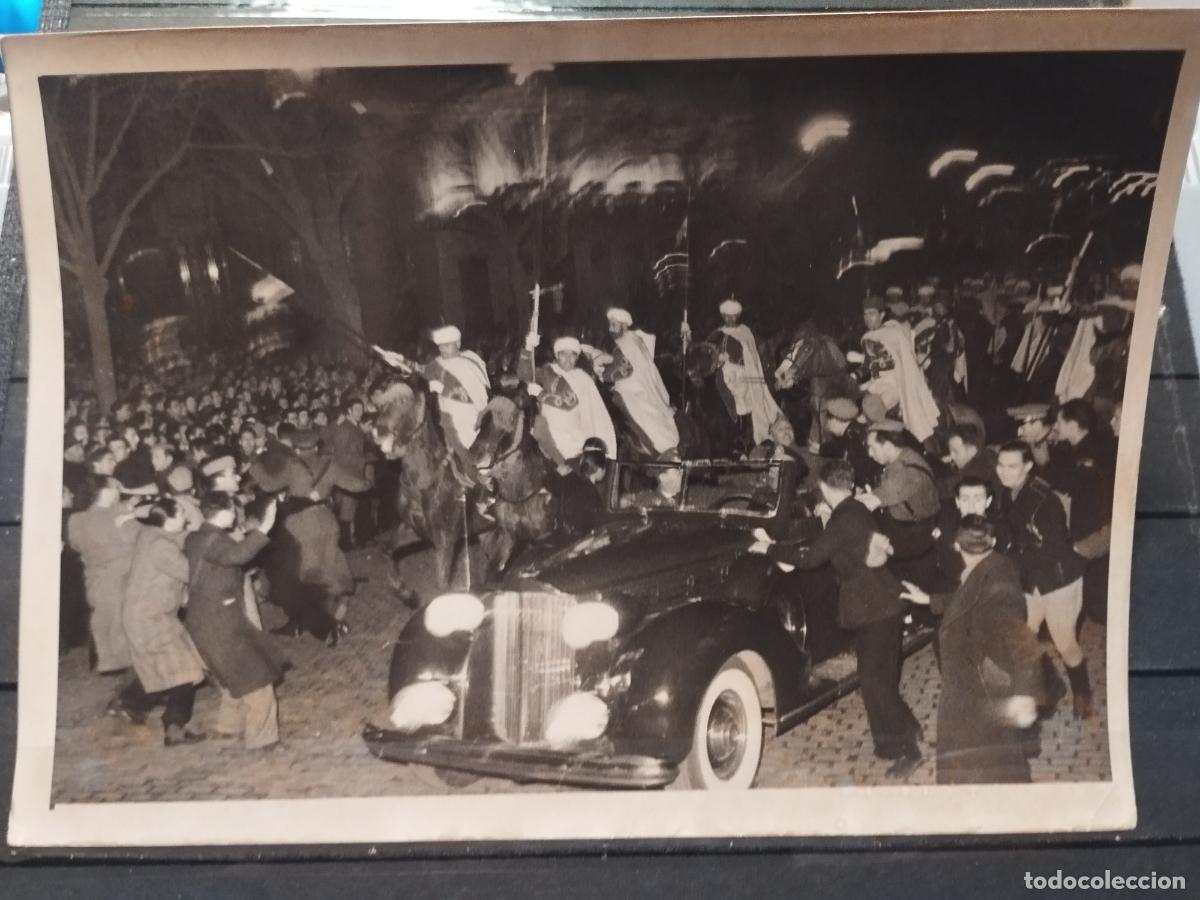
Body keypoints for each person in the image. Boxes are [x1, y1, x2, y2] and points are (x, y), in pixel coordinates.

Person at [758, 459, 923, 775]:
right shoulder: (855, 509)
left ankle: (908, 750)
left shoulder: (844, 518)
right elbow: (843, 543)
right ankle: (908, 730)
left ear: (823, 487)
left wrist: (768, 548)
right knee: (879, 677)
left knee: (874, 682)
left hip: (875, 607)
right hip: (883, 603)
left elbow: (810, 557)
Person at [901, 516, 1044, 784]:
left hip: (985, 687)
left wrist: (1025, 694)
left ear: (956, 545)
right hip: (972, 683)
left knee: (992, 759)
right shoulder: (993, 566)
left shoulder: (997, 580)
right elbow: (971, 599)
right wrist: (929, 599)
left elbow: (1021, 644)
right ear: (993, 541)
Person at [993, 441, 1091, 719]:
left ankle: (1083, 692)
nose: (1004, 471)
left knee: (1064, 642)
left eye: (1012, 466)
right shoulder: (1006, 492)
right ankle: (1048, 690)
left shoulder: (1043, 500)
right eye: (1000, 465)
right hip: (1028, 577)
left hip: (1058, 580)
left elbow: (1054, 550)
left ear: (1027, 466)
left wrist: (1008, 562)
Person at [184, 492, 283, 750]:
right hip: (219, 620)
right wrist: (264, 527)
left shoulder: (196, 537)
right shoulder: (214, 541)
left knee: (233, 674)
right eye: (234, 510)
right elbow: (235, 556)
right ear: (227, 511)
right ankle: (263, 740)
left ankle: (229, 728)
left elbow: (227, 555)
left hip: (207, 618)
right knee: (257, 679)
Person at [120, 498, 208, 746]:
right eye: (181, 514)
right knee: (186, 670)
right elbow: (191, 572)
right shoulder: (161, 547)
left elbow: (179, 538)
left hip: (147, 615)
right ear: (168, 519)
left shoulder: (150, 533)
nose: (186, 518)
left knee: (163, 666)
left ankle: (130, 702)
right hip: (151, 618)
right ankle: (174, 728)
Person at [66, 474, 139, 676]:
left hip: (98, 579)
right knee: (117, 617)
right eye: (116, 487)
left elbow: (78, 545)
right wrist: (125, 519)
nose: (120, 491)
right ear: (105, 491)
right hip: (119, 577)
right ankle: (119, 663)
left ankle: (111, 661)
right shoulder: (119, 515)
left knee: (105, 617)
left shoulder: (77, 519)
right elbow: (132, 543)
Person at [860, 421, 941, 584]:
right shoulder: (904, 455)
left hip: (915, 538)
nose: (869, 453)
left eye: (872, 447)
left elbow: (873, 501)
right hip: (908, 529)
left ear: (888, 445)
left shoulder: (905, 471)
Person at [853, 295, 941, 444]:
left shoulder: (895, 334)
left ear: (882, 314)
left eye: (872, 313)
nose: (868, 318)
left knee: (871, 410)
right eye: (865, 314)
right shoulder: (866, 337)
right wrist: (854, 375)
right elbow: (869, 363)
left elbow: (908, 361)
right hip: (876, 384)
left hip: (895, 385)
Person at [522, 335, 618, 468]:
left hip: (574, 440)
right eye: (563, 354)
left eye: (572, 355)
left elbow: (571, 403)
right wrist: (528, 348)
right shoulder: (548, 371)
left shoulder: (583, 378)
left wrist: (541, 394)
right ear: (557, 355)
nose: (568, 359)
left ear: (577, 358)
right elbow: (525, 375)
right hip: (549, 436)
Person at [596, 307, 679, 459]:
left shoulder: (626, 342)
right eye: (610, 325)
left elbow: (625, 369)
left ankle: (654, 449)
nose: (610, 329)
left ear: (624, 325)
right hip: (639, 384)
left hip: (635, 388)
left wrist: (602, 374)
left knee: (622, 402)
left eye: (614, 325)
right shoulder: (633, 339)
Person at [700, 298, 783, 449]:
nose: (730, 319)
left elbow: (752, 356)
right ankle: (731, 437)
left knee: (748, 401)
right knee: (727, 402)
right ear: (722, 316)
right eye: (727, 316)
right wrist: (718, 359)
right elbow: (706, 352)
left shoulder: (745, 332)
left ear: (738, 316)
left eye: (733, 316)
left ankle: (747, 436)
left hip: (745, 373)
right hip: (725, 374)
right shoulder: (717, 334)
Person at [425, 324, 491, 452]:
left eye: (447, 345)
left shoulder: (469, 364)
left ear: (458, 344)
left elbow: (480, 401)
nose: (442, 350)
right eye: (440, 346)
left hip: (469, 423)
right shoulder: (438, 363)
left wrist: (444, 390)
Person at [814, 396, 880, 489]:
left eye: (828, 420)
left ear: (835, 420)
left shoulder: (852, 440)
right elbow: (839, 447)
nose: (827, 425)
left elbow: (858, 474)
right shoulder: (854, 429)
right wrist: (821, 449)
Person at [942, 422, 999, 499]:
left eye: (955, 451)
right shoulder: (986, 454)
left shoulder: (975, 472)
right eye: (950, 451)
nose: (951, 456)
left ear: (972, 450)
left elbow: (946, 491)